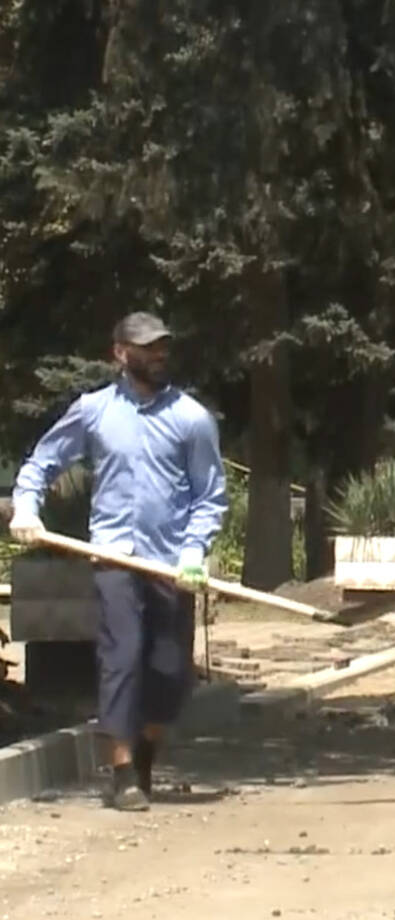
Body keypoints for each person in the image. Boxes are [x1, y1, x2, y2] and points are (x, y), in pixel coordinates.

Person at [8, 312, 227, 811]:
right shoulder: (94, 411)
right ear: (120, 353)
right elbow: (42, 463)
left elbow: (210, 496)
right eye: (146, 348)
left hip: (172, 563)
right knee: (120, 659)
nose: (157, 356)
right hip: (113, 556)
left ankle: (144, 752)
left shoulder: (191, 418)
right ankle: (123, 771)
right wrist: (27, 506)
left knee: (169, 673)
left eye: (162, 348)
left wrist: (195, 550)